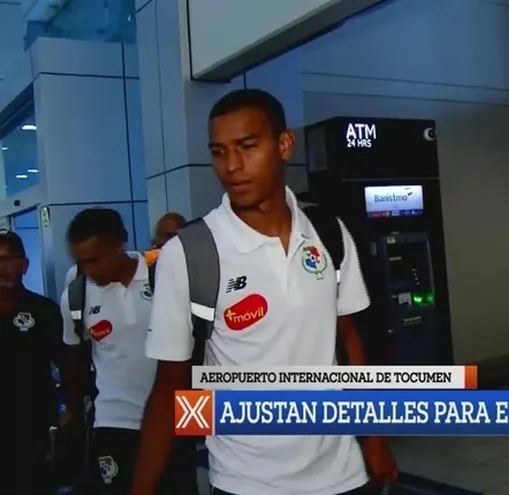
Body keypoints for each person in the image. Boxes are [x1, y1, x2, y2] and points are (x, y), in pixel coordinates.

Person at [134, 89, 396, 495]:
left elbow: (347, 341)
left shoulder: (328, 233)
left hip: (343, 476)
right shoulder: (189, 253)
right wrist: (143, 487)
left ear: (284, 144)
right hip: (246, 483)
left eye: (247, 147)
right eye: (219, 152)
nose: (232, 166)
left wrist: (376, 442)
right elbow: (170, 385)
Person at [59, 208, 197, 494]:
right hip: (113, 424)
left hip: (173, 422)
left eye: (95, 259)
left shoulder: (164, 278)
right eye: (81, 262)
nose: (89, 270)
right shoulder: (76, 296)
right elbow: (74, 361)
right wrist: (74, 410)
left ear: (120, 242)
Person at [0, 230, 64, 494]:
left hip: (33, 427)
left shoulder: (44, 311)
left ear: (24, 265)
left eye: (9, 258)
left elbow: (68, 363)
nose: (2, 267)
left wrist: (69, 411)